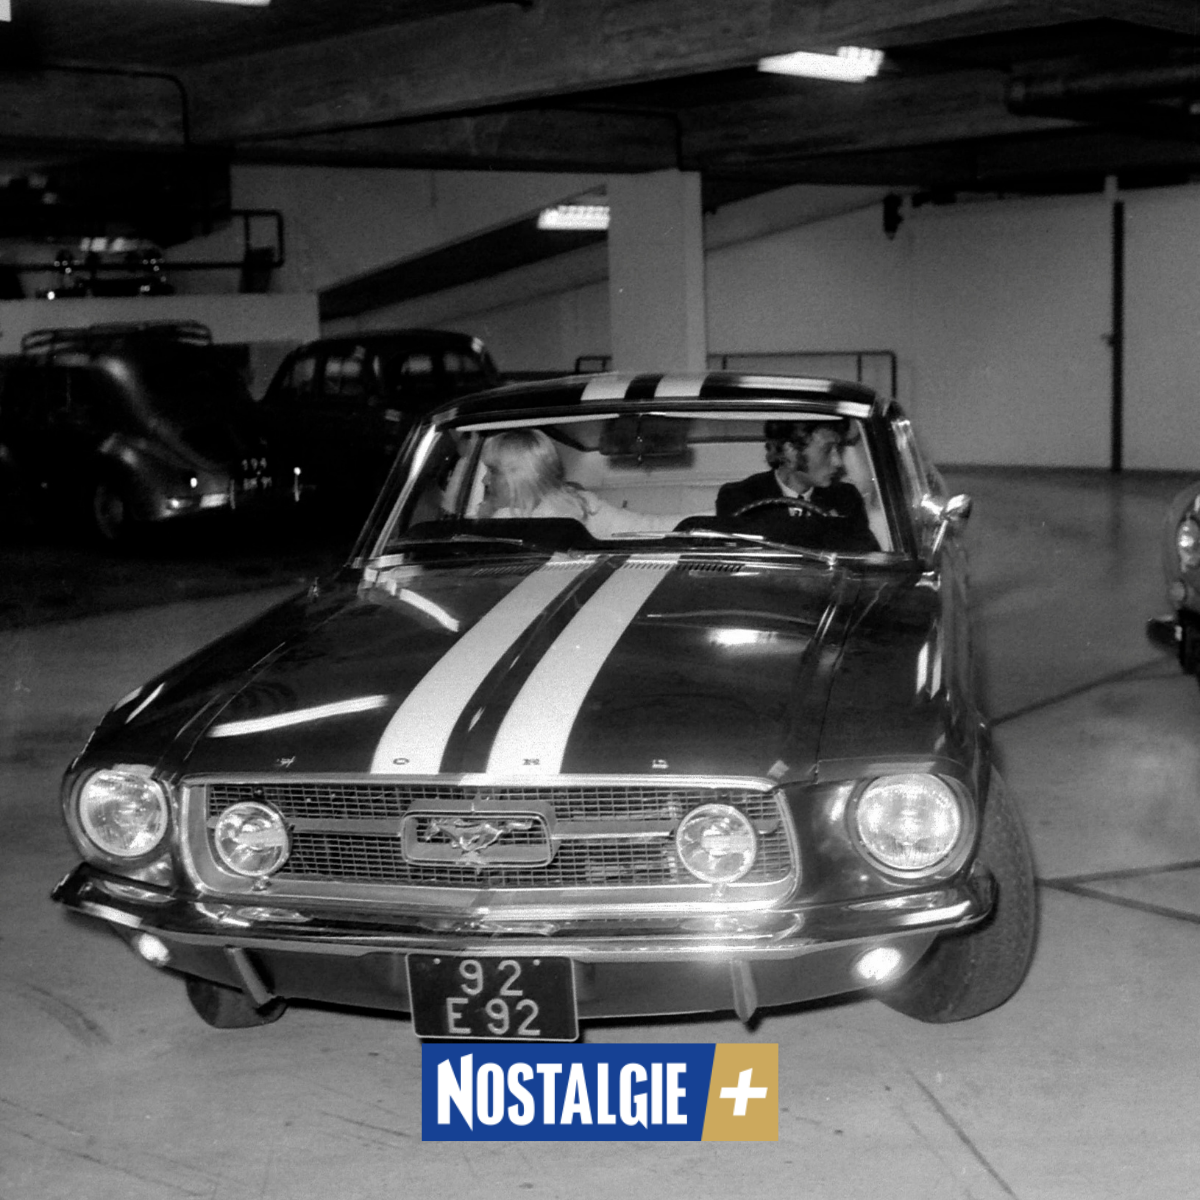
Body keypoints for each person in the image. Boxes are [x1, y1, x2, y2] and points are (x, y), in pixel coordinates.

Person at [477, 428, 678, 538]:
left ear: (521, 475)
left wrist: (697, 520)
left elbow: (646, 528)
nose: (484, 480)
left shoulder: (578, 505)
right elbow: (647, 526)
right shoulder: (578, 505)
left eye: (493, 471)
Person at [715, 419, 878, 552]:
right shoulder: (740, 497)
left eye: (838, 449)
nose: (838, 462)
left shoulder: (845, 497)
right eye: (827, 450)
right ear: (791, 452)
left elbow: (866, 557)